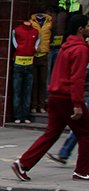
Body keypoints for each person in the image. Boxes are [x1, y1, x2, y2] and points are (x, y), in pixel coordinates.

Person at [12, 14, 89, 182]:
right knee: (86, 134)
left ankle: (23, 164)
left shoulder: (66, 46)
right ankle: (82, 171)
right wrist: (77, 103)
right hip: (68, 97)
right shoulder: (81, 49)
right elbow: (77, 79)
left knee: (51, 134)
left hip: (55, 96)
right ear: (81, 29)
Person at [10, 18, 40, 124]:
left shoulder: (36, 32)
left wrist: (32, 50)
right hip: (19, 62)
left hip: (29, 63)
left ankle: (25, 115)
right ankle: (18, 116)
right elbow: (15, 44)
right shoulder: (16, 30)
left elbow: (37, 44)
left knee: (27, 91)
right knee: (17, 91)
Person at [31, 11, 52, 114]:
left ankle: (41, 105)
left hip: (44, 54)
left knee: (43, 82)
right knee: (34, 82)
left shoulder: (49, 22)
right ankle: (34, 105)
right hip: (34, 55)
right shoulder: (31, 22)